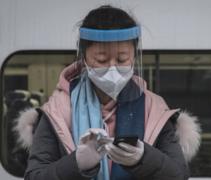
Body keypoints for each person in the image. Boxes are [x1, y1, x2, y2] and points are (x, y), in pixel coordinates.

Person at [15, 5, 201, 180]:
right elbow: (34, 176)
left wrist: (144, 158)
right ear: (84, 59)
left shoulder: (153, 108)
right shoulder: (57, 110)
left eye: (122, 59)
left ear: (135, 57)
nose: (112, 68)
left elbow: (179, 174)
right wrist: (77, 164)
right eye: (101, 59)